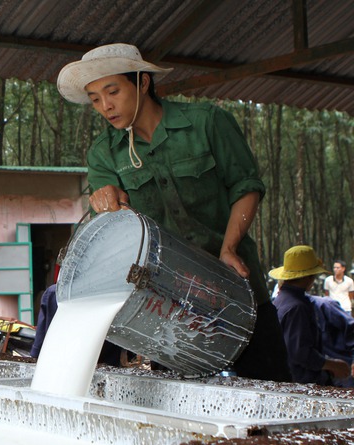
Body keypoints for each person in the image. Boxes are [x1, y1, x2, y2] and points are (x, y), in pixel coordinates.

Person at [56, 43, 290, 382]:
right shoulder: (104, 153)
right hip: (168, 306)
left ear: (142, 83)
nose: (105, 106)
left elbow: (246, 186)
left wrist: (229, 248)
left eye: (112, 91)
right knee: (183, 402)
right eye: (94, 98)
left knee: (272, 388)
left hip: (238, 288)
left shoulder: (207, 122)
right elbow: (113, 225)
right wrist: (105, 200)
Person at [270, 245, 351, 385]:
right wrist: (331, 365)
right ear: (309, 277)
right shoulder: (297, 308)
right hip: (302, 383)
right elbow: (300, 353)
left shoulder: (280, 300)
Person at [309, 294, 354, 387]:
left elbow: (351, 329)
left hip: (344, 368)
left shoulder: (324, 305)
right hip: (320, 373)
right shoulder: (283, 308)